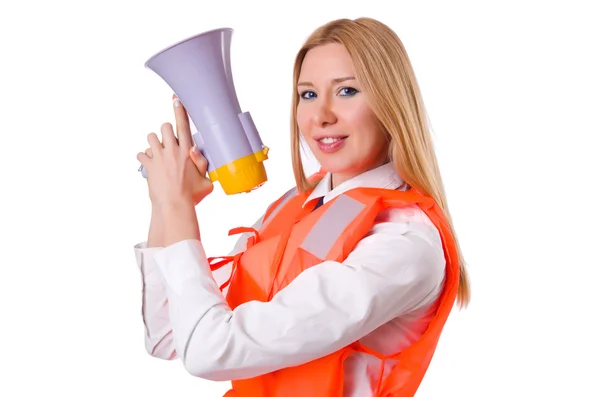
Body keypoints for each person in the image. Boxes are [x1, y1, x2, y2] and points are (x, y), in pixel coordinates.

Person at [134, 17, 471, 397]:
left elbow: (209, 351)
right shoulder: (298, 206)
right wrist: (166, 202)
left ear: (390, 102)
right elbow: (169, 335)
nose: (321, 115)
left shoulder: (404, 243)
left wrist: (177, 208)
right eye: (308, 95)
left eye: (347, 91)